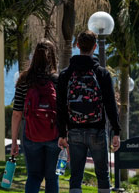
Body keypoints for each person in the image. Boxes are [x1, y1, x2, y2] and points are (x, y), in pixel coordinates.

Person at [57, 30, 121, 193]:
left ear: (77, 45)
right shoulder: (102, 73)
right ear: (94, 47)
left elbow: (61, 106)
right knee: (103, 176)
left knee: (76, 177)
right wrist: (116, 131)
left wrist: (62, 134)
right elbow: (110, 104)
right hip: (97, 130)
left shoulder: (65, 74)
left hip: (74, 130)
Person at [11, 39, 61, 193]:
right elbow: (65, 111)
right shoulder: (58, 80)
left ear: (34, 56)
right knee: (52, 177)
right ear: (52, 56)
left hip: (31, 135)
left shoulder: (24, 79)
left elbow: (17, 113)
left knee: (33, 176)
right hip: (54, 135)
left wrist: (14, 142)